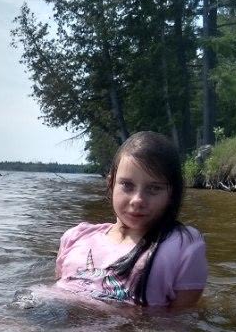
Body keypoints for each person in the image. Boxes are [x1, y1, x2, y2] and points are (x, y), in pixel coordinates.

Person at [54, 131, 207, 310]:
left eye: (154, 188)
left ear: (171, 194)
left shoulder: (184, 245)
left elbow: (179, 321)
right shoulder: (76, 236)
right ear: (111, 184)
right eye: (127, 185)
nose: (137, 200)